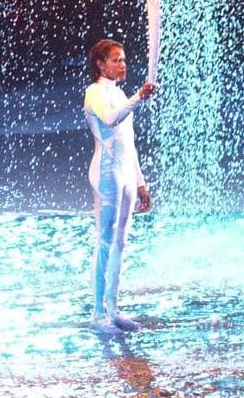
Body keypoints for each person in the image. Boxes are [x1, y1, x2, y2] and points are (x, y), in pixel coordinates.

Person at [84, 38, 156, 334]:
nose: (123, 65)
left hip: (126, 172)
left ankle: (113, 308)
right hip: (107, 172)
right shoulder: (94, 93)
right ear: (101, 64)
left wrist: (141, 183)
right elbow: (112, 120)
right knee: (105, 241)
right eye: (116, 60)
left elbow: (130, 143)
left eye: (124, 59)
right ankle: (98, 313)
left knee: (121, 243)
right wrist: (139, 96)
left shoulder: (121, 92)